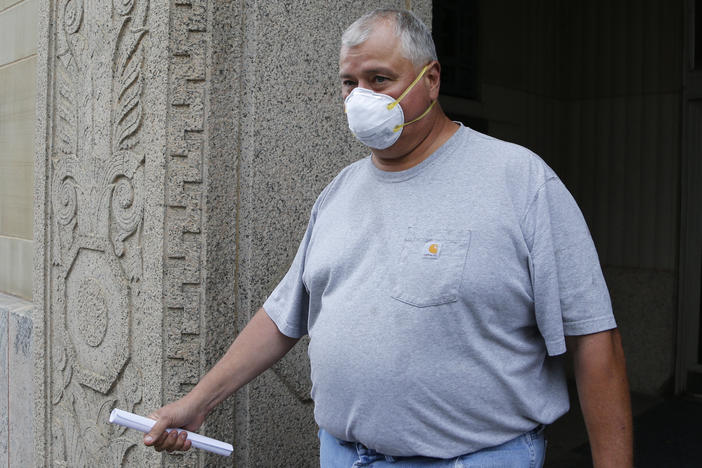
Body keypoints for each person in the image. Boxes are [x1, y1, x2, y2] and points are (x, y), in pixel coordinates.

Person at [144, 9, 633, 467]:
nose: (362, 99)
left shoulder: (518, 179)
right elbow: (282, 316)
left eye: (380, 79)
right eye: (349, 83)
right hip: (343, 455)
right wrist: (197, 403)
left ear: (432, 79)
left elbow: (594, 337)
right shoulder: (339, 191)